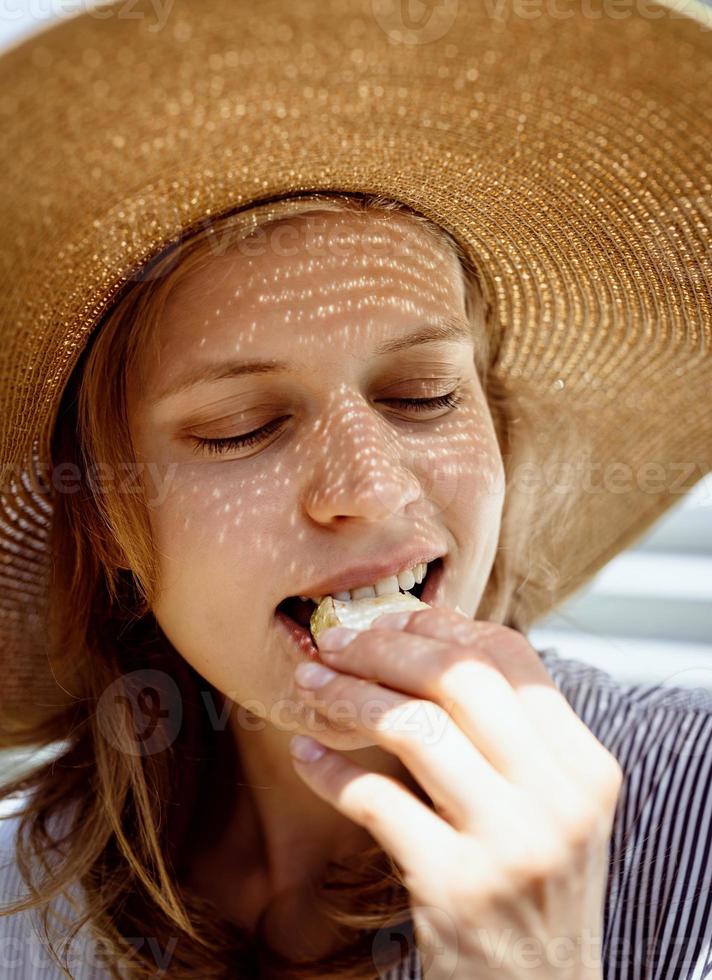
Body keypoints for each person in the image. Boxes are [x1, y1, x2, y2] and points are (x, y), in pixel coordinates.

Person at [0, 1, 710, 979]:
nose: (370, 492)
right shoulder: (18, 904)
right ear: (108, 516)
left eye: (422, 396)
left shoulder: (694, 815)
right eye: (242, 426)